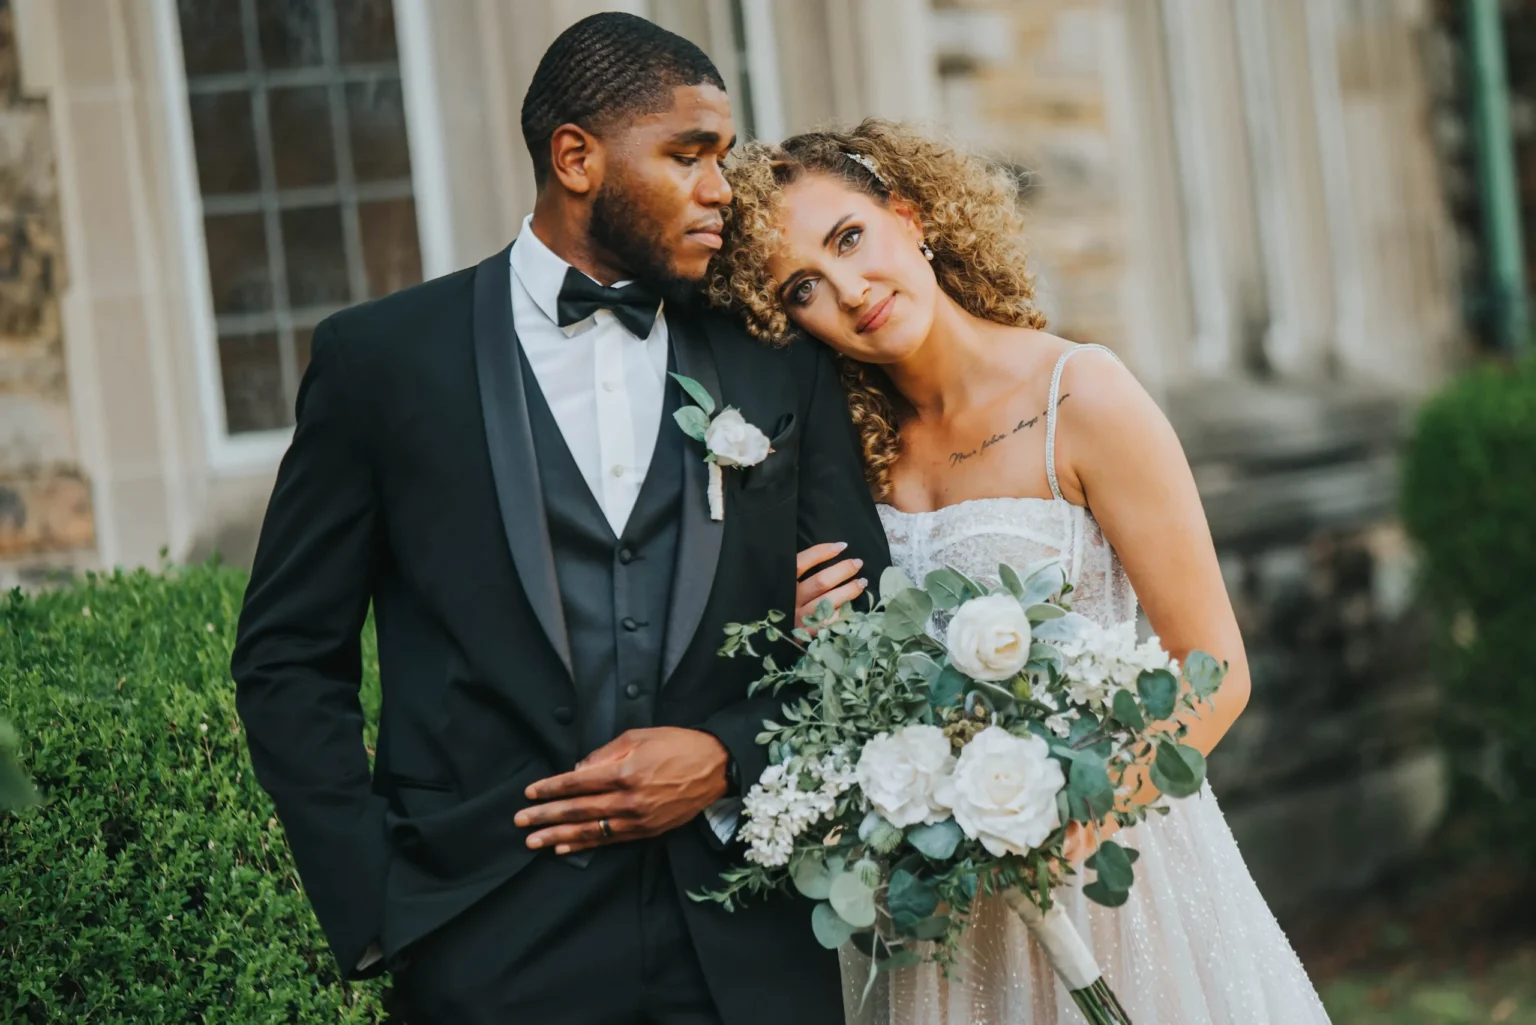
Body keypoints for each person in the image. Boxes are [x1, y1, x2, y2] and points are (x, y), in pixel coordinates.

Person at [230, 14, 888, 1025]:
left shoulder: (773, 356)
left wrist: (726, 755)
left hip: (745, 942)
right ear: (575, 157)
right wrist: (378, 904)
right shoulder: (382, 362)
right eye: (688, 155)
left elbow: (867, 629)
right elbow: (285, 652)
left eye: (724, 155)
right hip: (489, 940)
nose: (723, 188)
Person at [717, 120, 1332, 1024]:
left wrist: (1065, 819)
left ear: (909, 215)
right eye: (802, 286)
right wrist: (815, 634)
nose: (849, 291)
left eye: (850, 238)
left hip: (1101, 874)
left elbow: (1217, 671)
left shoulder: (1081, 397)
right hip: (939, 921)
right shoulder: (839, 456)